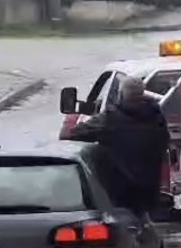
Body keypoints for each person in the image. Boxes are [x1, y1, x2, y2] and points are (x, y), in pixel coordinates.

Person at [67, 76, 170, 218]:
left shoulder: (110, 118)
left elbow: (75, 134)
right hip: (149, 187)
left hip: (118, 189)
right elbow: (164, 143)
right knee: (144, 225)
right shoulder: (157, 116)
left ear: (121, 94)